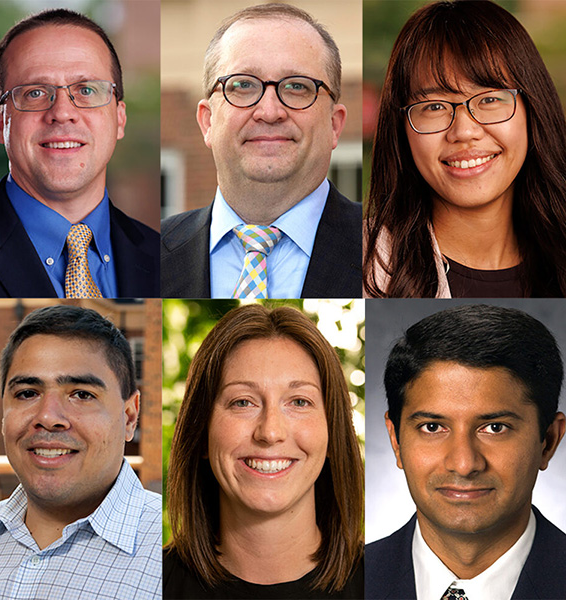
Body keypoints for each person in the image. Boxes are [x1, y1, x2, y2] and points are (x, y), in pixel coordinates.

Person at [363, 0, 566, 298]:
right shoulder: (358, 260)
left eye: (489, 100)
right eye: (434, 106)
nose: (464, 132)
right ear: (401, 128)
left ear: (533, 108)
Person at [364, 304, 566, 600]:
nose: (463, 464)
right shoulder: (350, 582)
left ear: (548, 440)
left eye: (495, 428)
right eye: (432, 427)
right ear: (395, 440)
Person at [160, 3, 362, 299]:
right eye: (243, 85)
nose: (269, 111)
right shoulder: (147, 256)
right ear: (207, 121)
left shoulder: (391, 252)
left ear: (334, 124)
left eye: (297, 86)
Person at [164, 304, 364, 598]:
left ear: (333, 432)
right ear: (201, 431)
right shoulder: (144, 584)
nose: (270, 432)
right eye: (243, 402)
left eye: (298, 402)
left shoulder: (391, 583)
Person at [0, 305, 161, 599]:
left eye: (82, 394)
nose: (48, 416)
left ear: (130, 416)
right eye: (27, 393)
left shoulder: (174, 552)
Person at [0, 9, 159, 298]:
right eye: (34, 92)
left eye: (86, 90)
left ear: (119, 118)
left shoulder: (164, 256)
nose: (63, 113)